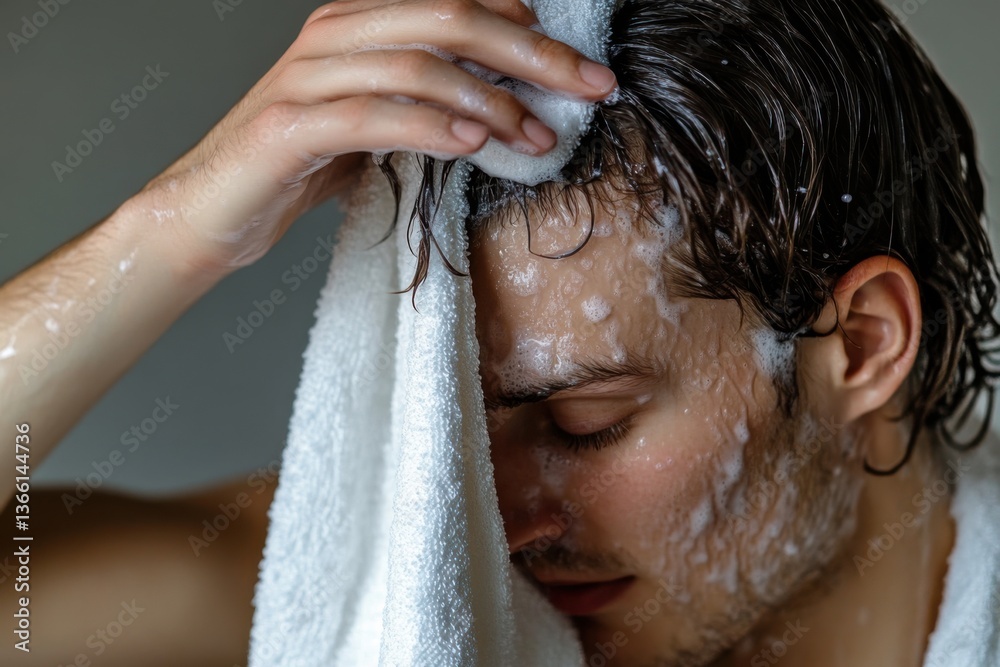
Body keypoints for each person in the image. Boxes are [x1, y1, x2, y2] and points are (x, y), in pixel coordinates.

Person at [1, 0, 996, 665]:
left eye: (582, 419)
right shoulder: (375, 583)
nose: (504, 518)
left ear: (862, 344)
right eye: (459, 423)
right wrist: (162, 234)